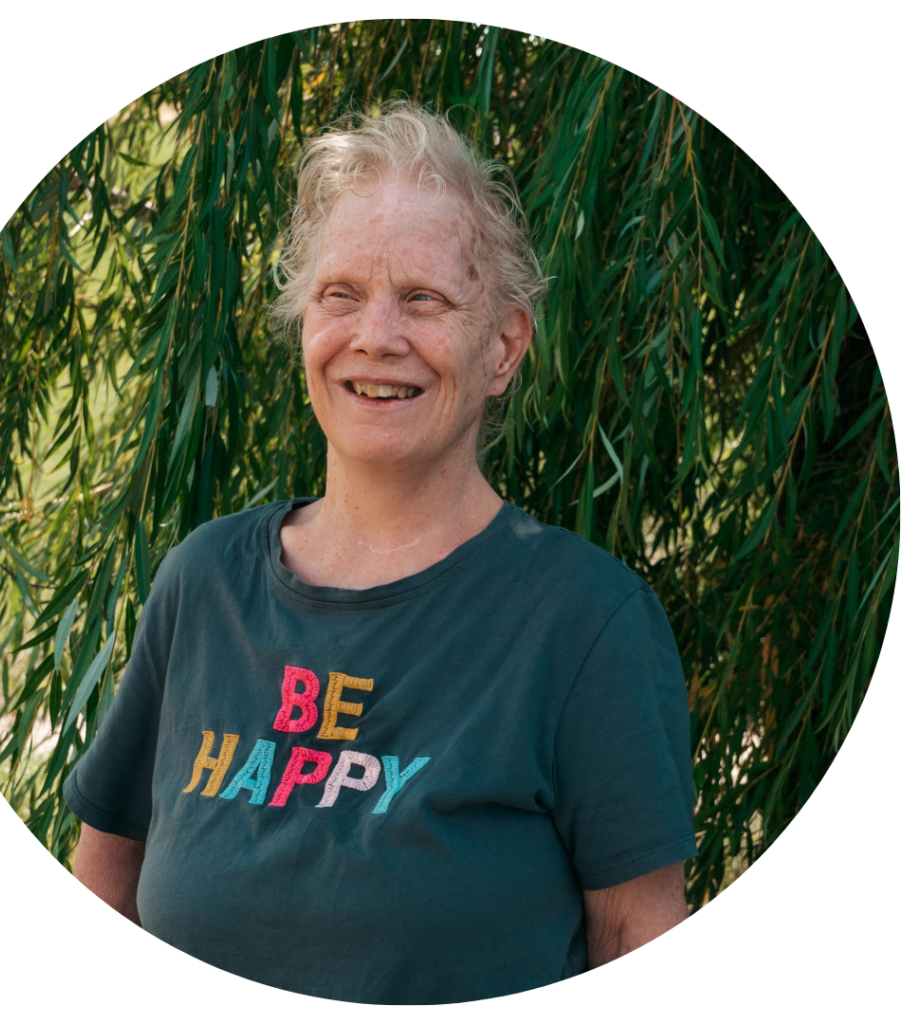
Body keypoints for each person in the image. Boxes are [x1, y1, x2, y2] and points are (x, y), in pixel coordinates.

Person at [65, 102, 697, 1004]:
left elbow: (643, 952)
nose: (376, 336)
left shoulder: (586, 626)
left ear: (505, 347)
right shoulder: (201, 586)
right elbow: (100, 899)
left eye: (425, 299)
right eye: (341, 294)